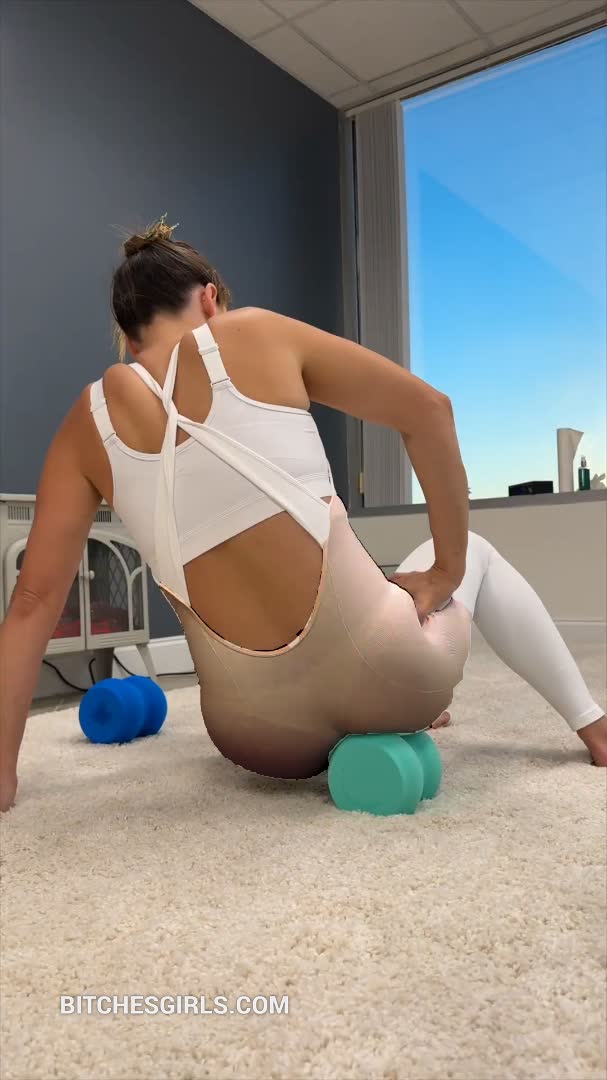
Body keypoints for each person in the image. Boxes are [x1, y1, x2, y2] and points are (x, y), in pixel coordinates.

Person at [0, 219, 605, 810]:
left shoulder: (86, 425)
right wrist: (446, 571)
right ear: (211, 300)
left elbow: (32, 602)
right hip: (388, 671)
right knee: (474, 554)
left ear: (131, 340)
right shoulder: (251, 332)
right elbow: (430, 411)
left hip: (255, 735)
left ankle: (375, 711)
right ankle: (592, 725)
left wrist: (2, 768)